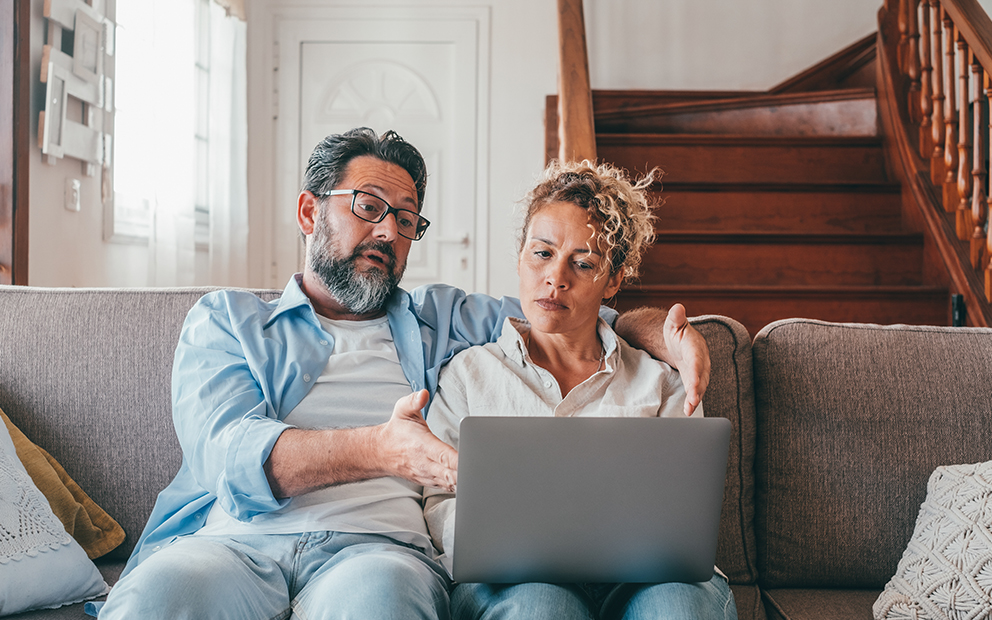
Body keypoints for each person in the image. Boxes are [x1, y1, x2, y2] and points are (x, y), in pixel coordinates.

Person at [95, 128, 711, 620]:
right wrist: (384, 450)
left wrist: (671, 337)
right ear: (311, 212)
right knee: (157, 598)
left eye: (407, 218)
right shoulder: (228, 322)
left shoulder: (443, 319)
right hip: (231, 543)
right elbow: (226, 456)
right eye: (368, 207)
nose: (388, 230)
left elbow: (576, 311)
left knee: (382, 600)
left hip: (377, 551)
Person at [424, 160, 737, 620]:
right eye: (542, 253)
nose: (556, 277)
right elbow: (438, 503)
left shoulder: (662, 382)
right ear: (520, 258)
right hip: (515, 581)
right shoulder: (468, 376)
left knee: (678, 607)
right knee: (539, 608)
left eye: (583, 262)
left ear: (613, 281)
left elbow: (682, 514)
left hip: (645, 581)